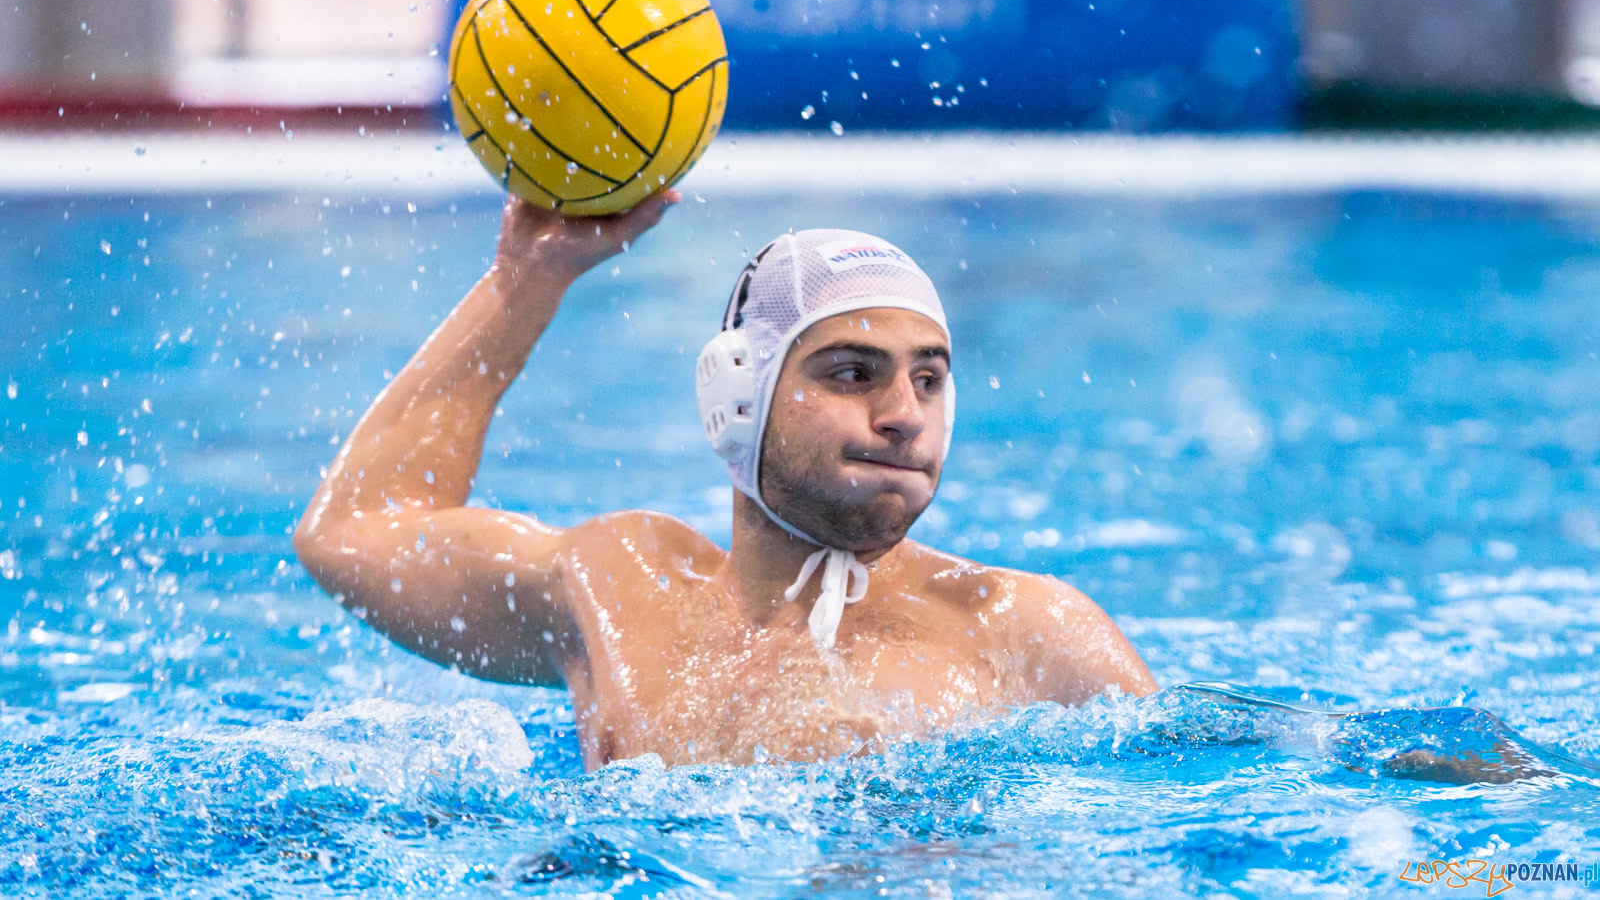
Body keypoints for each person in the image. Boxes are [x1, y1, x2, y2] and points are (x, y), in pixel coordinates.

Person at [293, 192, 1156, 768]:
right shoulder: (617, 587)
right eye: (853, 372)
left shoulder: (1029, 634)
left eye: (928, 378)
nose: (904, 412)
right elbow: (352, 529)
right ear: (740, 397)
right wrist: (527, 282)